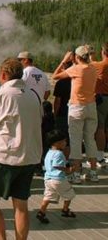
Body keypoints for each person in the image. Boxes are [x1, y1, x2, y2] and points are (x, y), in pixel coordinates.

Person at [0, 58, 42, 240]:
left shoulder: (0, 96)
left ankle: (0, 238)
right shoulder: (33, 95)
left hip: (3, 156)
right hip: (28, 156)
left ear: (3, 75)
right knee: (21, 205)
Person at [52, 46, 99, 183]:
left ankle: (76, 174)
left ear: (77, 57)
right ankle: (93, 172)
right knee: (90, 139)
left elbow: (55, 76)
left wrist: (63, 61)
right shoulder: (92, 68)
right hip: (91, 106)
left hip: (77, 107)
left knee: (75, 140)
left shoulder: (75, 69)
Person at [36, 130, 76, 224]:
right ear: (57, 143)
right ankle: (65, 210)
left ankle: (42, 212)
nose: (66, 143)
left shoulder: (49, 152)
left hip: (48, 179)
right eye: (64, 141)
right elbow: (57, 165)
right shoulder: (59, 153)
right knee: (69, 193)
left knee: (48, 196)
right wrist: (69, 170)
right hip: (58, 179)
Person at [92, 43, 108, 165]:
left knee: (100, 128)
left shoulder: (101, 65)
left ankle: (99, 156)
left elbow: (88, 64)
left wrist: (90, 54)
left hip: (102, 98)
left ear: (104, 52)